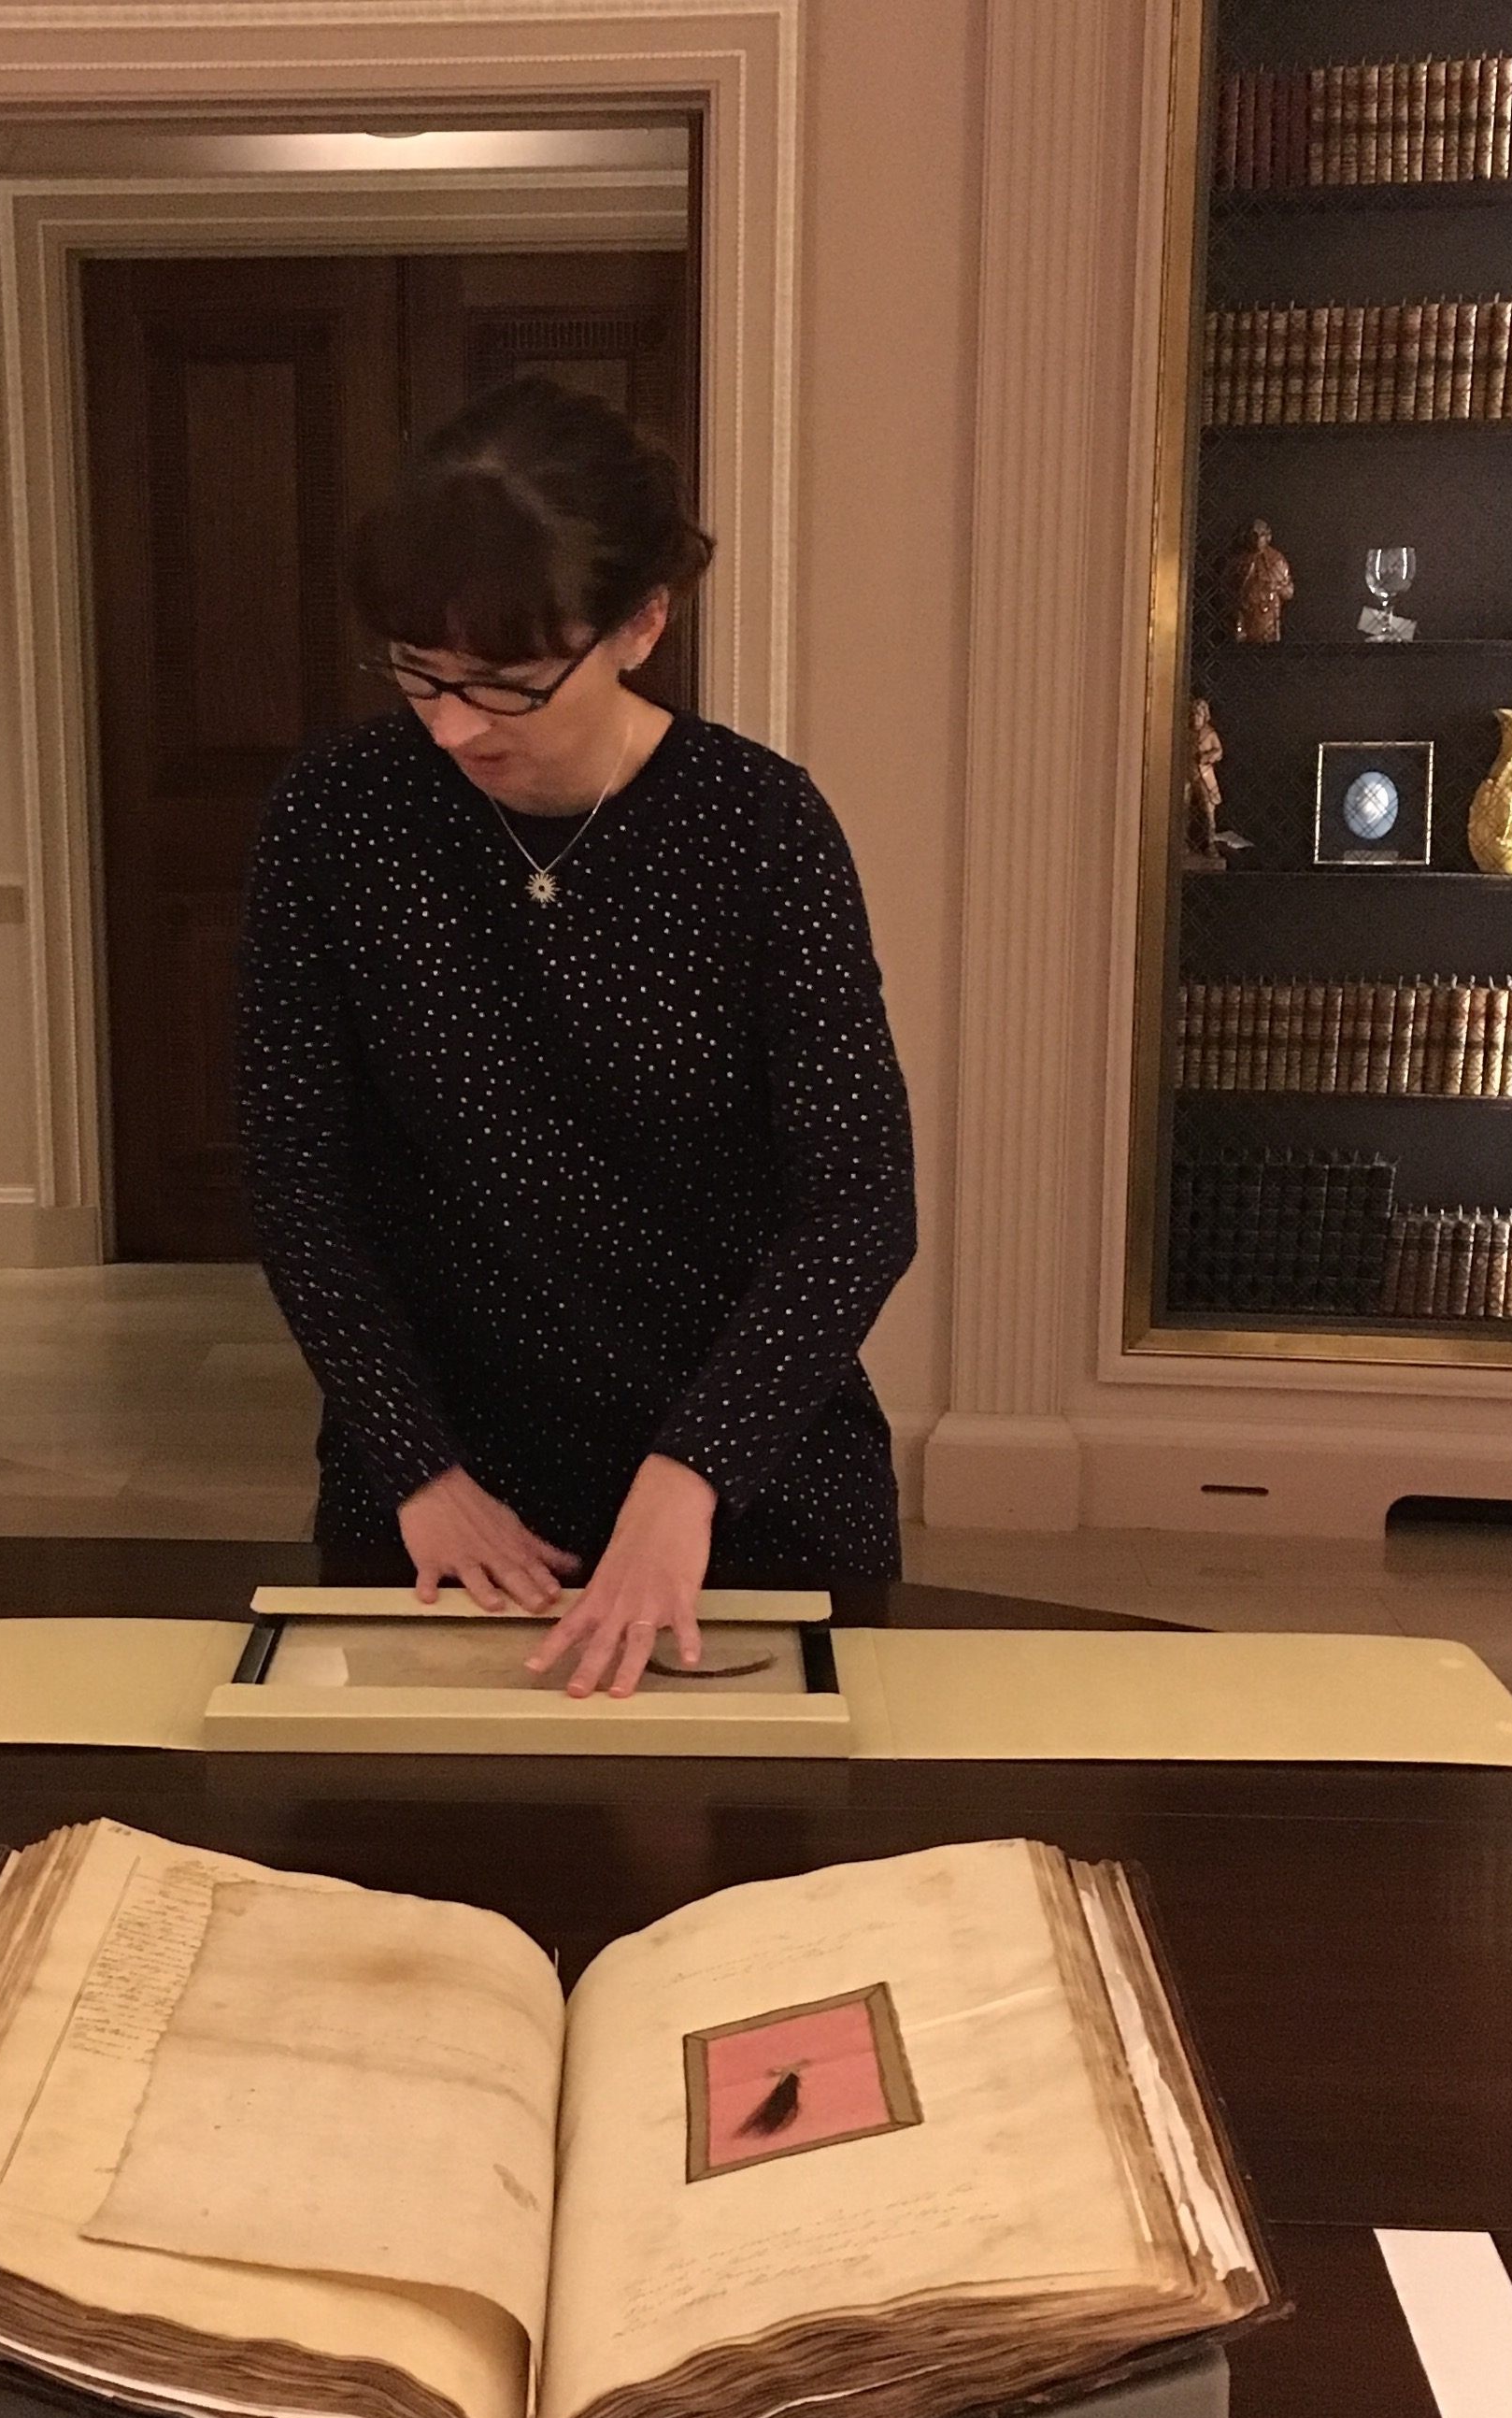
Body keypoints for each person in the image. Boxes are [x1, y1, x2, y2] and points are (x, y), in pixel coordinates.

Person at [237, 376, 917, 1701]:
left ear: (640, 624)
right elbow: (295, 1179)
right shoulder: (335, 819)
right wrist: (414, 1467)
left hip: (743, 1478)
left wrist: (690, 1475)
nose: (452, 726)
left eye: (504, 683)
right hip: (437, 1490)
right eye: (418, 675)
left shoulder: (757, 830)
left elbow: (856, 1203)